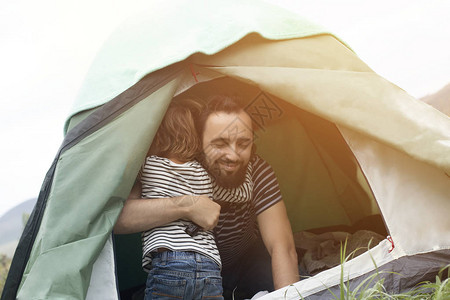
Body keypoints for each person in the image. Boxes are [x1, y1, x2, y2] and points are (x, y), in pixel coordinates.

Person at [114, 95, 299, 299]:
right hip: (181, 267)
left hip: (245, 261)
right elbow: (120, 219)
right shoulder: (176, 167)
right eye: (220, 144)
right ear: (198, 143)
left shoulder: (257, 171)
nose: (233, 155)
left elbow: (282, 246)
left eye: (243, 143)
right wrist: (187, 205)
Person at [135, 98, 224, 300]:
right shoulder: (205, 174)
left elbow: (120, 175)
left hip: (169, 262)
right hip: (210, 266)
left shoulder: (148, 166)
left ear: (157, 136)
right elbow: (238, 193)